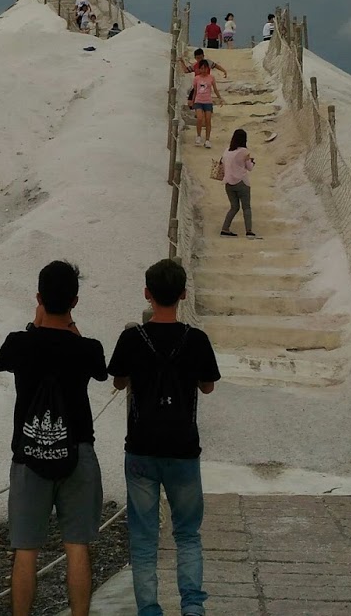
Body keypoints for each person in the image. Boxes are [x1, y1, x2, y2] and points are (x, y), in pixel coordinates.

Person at [0, 262, 109, 616]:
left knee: (25, 550)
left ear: (39, 298)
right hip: (78, 451)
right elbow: (100, 372)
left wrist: (35, 325)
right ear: (75, 301)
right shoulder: (88, 348)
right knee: (77, 547)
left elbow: (2, 362)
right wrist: (70, 325)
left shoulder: (18, 344)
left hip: (29, 454)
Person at [108, 259, 221, 616]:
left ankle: (149, 609)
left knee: (143, 538)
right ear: (183, 294)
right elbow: (207, 387)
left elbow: (118, 381)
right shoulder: (196, 339)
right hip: (183, 447)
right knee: (187, 534)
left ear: (147, 293)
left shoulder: (132, 338)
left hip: (141, 448)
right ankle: (192, 607)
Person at [219, 129, 256, 237]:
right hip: (242, 182)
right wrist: (252, 162)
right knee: (246, 207)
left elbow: (222, 163)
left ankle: (225, 229)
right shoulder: (244, 151)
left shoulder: (226, 151)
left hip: (228, 183)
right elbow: (249, 167)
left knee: (234, 207)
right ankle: (249, 231)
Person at [188, 59, 221, 147]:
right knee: (199, 118)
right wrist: (192, 101)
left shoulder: (211, 78)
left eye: (205, 68)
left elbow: (215, 89)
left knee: (208, 120)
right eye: (201, 68)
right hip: (198, 101)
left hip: (208, 102)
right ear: (199, 69)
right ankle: (198, 136)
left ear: (207, 68)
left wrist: (220, 98)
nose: (203, 70)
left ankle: (207, 139)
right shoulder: (196, 78)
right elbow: (195, 91)